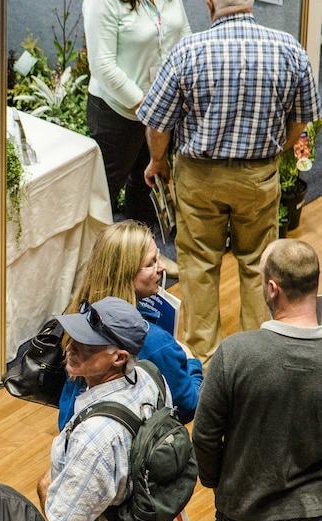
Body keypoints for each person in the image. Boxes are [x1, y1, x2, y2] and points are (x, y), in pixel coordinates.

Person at [137, 0, 322, 367]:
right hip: (258, 178)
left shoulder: (187, 51)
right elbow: (302, 121)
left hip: (199, 178)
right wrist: (272, 153)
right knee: (258, 264)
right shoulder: (289, 49)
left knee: (199, 264)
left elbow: (157, 123)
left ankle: (203, 361)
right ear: (251, 2)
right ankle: (257, 360)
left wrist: (159, 161)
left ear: (209, 4)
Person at [192, 239, 322, 521]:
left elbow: (205, 437)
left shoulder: (235, 353)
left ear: (272, 288)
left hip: (246, 514)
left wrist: (218, 481)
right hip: (316, 516)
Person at [38, 297, 168, 521]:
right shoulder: (152, 378)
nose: (70, 348)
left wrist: (45, 489)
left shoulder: (96, 438)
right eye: (72, 337)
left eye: (85, 345)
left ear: (119, 357)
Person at [57, 220, 201, 429]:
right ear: (126, 274)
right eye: (151, 263)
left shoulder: (79, 314)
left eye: (158, 257)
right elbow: (187, 405)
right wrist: (191, 361)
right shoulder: (154, 342)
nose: (161, 267)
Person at [83, 0, 189, 233]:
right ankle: (97, 260)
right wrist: (147, 107)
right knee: (105, 192)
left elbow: (185, 38)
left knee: (146, 184)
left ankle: (142, 254)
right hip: (118, 111)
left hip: (158, 112)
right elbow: (102, 65)